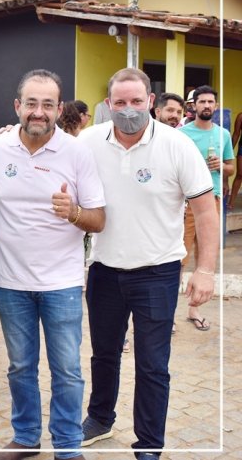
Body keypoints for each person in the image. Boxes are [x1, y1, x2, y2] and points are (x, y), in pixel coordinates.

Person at [78, 68, 218, 459]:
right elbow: (49, 151)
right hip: (104, 270)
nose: (129, 110)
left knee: (153, 364)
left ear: (151, 101)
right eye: (120, 102)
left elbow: (205, 211)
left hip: (158, 272)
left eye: (137, 101)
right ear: (108, 104)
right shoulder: (88, 142)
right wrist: (10, 135)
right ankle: (100, 419)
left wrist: (205, 270)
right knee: (104, 354)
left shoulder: (177, 145)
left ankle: (149, 443)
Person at [0, 69, 106, 460]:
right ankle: (26, 437)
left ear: (59, 109)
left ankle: (67, 445)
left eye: (48, 104)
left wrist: (73, 212)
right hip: (9, 280)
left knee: (67, 369)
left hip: (61, 283)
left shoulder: (77, 152)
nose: (38, 111)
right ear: (17, 106)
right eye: (31, 103)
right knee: (20, 366)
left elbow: (99, 219)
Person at [179, 85, 234, 331]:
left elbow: (231, 168)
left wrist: (220, 165)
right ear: (194, 106)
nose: (207, 106)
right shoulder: (183, 134)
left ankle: (194, 310)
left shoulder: (223, 135)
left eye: (211, 102)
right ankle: (168, 314)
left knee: (205, 258)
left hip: (213, 200)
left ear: (216, 106)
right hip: (186, 201)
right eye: (202, 102)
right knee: (179, 257)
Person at [228, 111, 242, 210]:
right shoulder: (240, 116)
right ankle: (231, 202)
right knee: (240, 174)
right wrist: (229, 151)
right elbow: (236, 134)